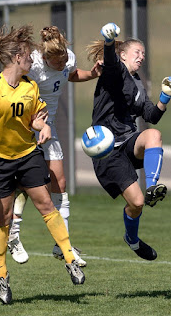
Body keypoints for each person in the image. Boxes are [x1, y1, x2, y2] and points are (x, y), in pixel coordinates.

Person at [0, 25, 85, 304]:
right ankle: (2, 276)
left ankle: (70, 259)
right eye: (27, 56)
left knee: (46, 205)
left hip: (27, 154)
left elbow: (36, 118)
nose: (31, 60)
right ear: (17, 58)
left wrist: (43, 126)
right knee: (2, 219)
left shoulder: (30, 86)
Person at [8, 25, 102, 267]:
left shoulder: (67, 58)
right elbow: (14, 92)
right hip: (25, 129)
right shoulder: (34, 65)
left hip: (49, 128)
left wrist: (92, 74)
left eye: (63, 60)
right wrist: (32, 118)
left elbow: (70, 75)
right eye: (56, 62)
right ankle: (13, 233)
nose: (61, 65)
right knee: (27, 185)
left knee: (59, 183)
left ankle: (63, 245)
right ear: (45, 57)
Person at [86, 23, 171, 260]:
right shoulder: (114, 71)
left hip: (128, 142)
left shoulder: (138, 83)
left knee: (153, 135)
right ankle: (132, 239)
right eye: (137, 52)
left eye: (144, 54)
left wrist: (165, 97)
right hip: (108, 151)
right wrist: (108, 40)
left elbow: (151, 116)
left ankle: (153, 187)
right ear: (123, 55)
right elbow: (109, 60)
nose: (141, 56)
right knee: (136, 204)